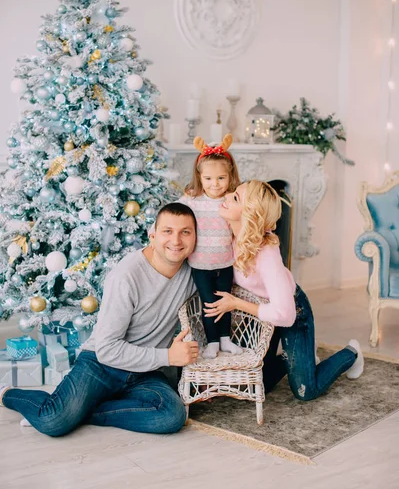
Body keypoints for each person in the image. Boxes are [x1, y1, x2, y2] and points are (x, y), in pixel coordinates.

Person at [0, 203, 199, 436]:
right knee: (52, 421)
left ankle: (81, 411)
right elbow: (107, 349)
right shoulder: (126, 276)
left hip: (145, 371)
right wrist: (167, 356)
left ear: (195, 237)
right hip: (101, 363)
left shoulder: (195, 273)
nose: (176, 241)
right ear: (152, 235)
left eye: (185, 232)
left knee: (171, 416)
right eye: (168, 231)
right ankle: (8, 394)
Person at [204, 180, 364, 401]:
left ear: (250, 213)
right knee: (259, 384)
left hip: (291, 311)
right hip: (261, 313)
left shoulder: (266, 254)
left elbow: (284, 314)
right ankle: (300, 360)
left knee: (306, 390)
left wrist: (236, 304)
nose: (226, 196)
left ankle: (352, 354)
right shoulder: (227, 235)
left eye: (235, 198)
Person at [179, 133, 241, 359]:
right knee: (209, 303)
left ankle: (226, 339)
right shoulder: (192, 200)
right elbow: (174, 214)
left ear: (230, 176)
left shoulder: (233, 199)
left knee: (225, 302)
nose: (215, 184)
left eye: (221, 178)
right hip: (201, 264)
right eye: (208, 179)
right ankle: (212, 341)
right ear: (200, 177)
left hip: (225, 262)